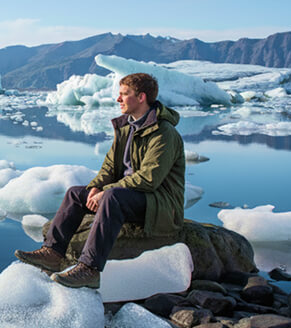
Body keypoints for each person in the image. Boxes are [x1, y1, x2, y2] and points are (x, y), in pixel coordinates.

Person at [14, 72, 185, 289]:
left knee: (112, 197)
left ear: (141, 97)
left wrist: (108, 191)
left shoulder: (163, 133)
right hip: (130, 195)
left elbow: (149, 178)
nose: (118, 99)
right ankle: (53, 252)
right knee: (76, 194)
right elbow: (110, 168)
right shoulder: (126, 127)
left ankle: (89, 269)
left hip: (159, 204)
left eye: (124, 94)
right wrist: (96, 188)